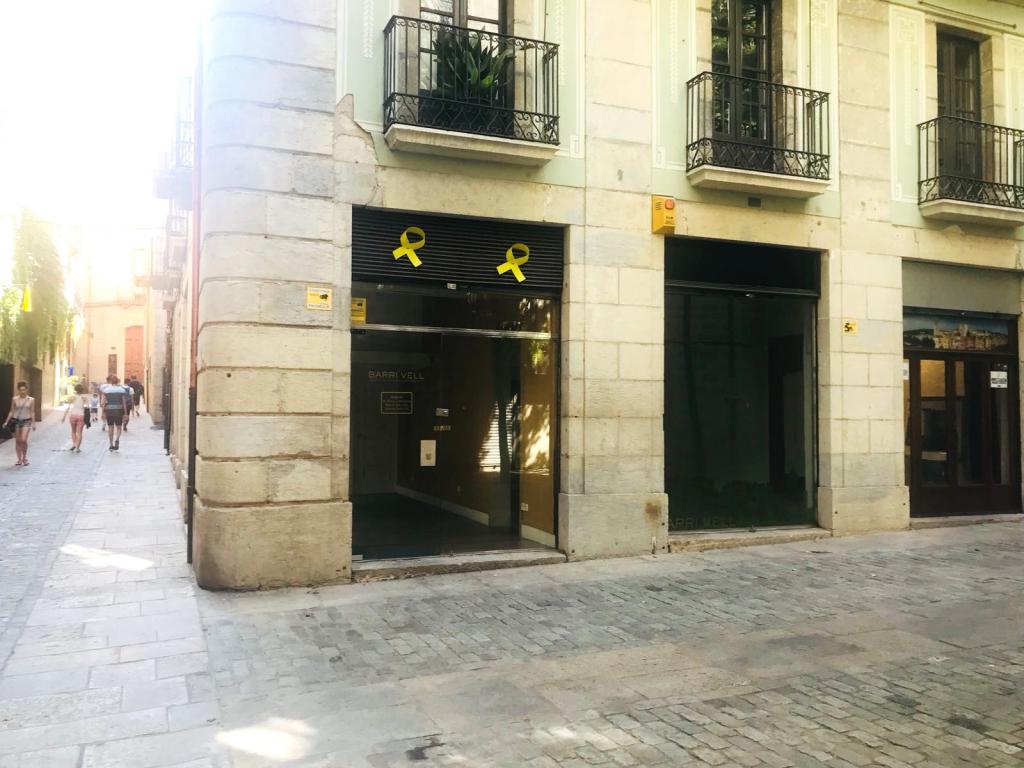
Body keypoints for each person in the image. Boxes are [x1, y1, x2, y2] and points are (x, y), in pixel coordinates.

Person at [4, 381, 36, 466]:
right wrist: (6, 421)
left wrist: (34, 423)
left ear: (27, 390)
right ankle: (19, 459)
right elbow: (11, 411)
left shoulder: (31, 399)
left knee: (23, 440)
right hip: (16, 421)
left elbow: (32, 412)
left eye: (24, 389)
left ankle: (24, 458)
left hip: (26, 421)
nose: (22, 391)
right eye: (21, 390)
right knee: (18, 441)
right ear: (18, 390)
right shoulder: (14, 399)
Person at [100, 375, 127, 451]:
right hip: (119, 410)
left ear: (111, 381)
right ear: (117, 381)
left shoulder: (106, 390)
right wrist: (125, 413)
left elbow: (104, 403)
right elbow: (124, 403)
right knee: (119, 427)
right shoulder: (121, 390)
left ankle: (111, 444)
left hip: (109, 411)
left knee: (110, 427)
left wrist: (102, 413)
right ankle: (117, 439)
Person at [61, 383, 90, 452]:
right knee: (79, 432)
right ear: (82, 390)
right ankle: (77, 448)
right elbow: (87, 408)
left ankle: (74, 444)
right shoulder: (84, 398)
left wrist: (64, 417)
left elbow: (68, 407)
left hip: (73, 415)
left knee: (73, 431)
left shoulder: (72, 398)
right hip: (81, 416)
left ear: (75, 390)